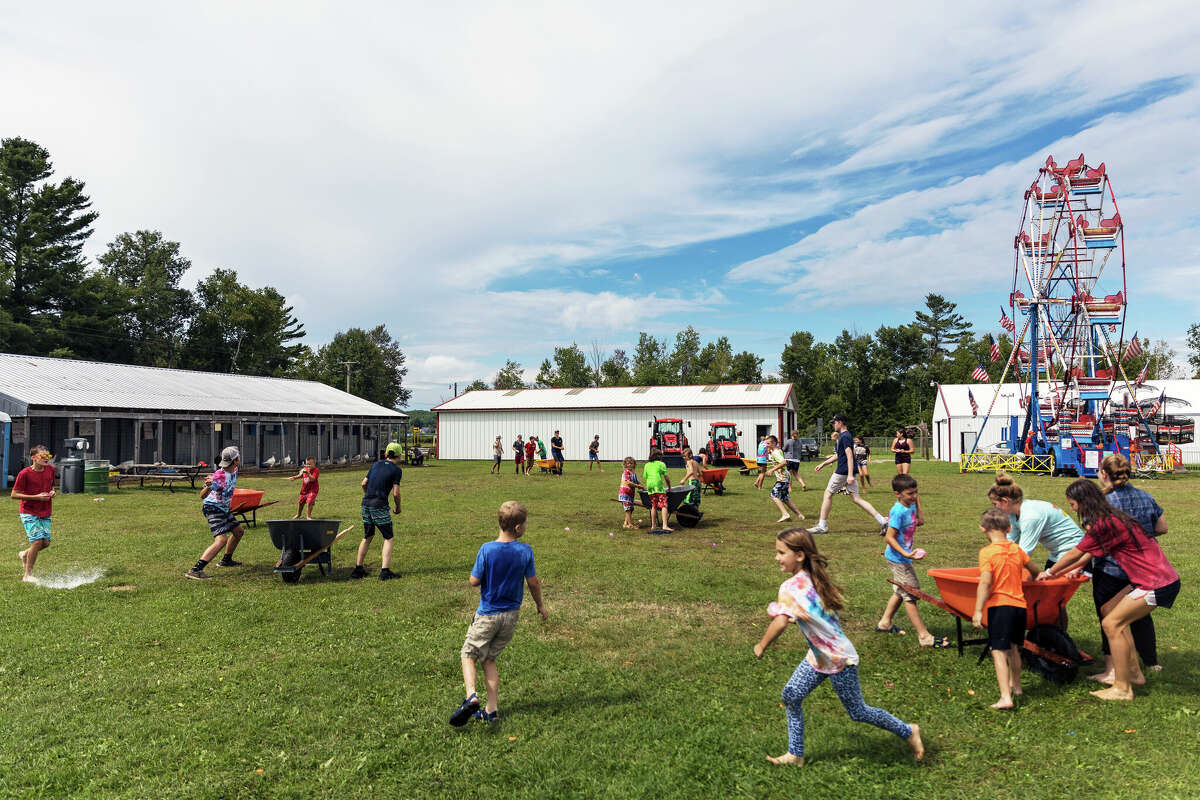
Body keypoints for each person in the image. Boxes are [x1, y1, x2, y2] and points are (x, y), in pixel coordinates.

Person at [753, 528, 924, 767]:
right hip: (818, 657)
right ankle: (795, 754)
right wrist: (795, 616)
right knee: (791, 695)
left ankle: (908, 730)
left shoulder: (790, 587)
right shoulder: (814, 577)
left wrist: (761, 645)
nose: (777, 557)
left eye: (781, 553)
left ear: (800, 555)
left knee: (858, 712)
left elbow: (779, 623)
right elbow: (812, 613)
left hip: (839, 659)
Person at [1040, 479, 1180, 702]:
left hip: (1156, 582)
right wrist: (1065, 570)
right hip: (1151, 579)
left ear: (1083, 502)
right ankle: (1134, 672)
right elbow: (1089, 551)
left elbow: (1076, 552)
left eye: (1073, 504)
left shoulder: (1104, 524)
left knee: (1111, 623)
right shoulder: (1111, 518)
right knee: (1109, 609)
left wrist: (1049, 572)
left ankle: (1123, 689)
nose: (1073, 509)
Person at [449, 501, 547, 726]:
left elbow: (474, 581)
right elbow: (533, 582)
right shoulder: (525, 551)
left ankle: (471, 696)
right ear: (518, 528)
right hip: (510, 616)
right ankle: (491, 710)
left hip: (488, 615)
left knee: (468, 654)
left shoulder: (487, 549)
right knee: (489, 658)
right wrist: (540, 605)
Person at [1092, 453, 1165, 682]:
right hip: (1142, 570)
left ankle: (1112, 668)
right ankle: (1151, 661)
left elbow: (1094, 539)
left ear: (1104, 474)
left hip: (1111, 569)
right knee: (1141, 616)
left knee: (1110, 617)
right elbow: (1161, 527)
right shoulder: (1145, 496)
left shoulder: (1104, 503)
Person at [972, 508, 1038, 709]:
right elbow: (1035, 570)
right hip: (1019, 606)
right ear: (1009, 528)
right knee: (1014, 649)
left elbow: (985, 582)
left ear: (983, 529)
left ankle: (1005, 697)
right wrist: (1032, 580)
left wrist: (978, 610)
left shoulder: (987, 552)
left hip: (1000, 607)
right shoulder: (1017, 550)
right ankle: (1016, 687)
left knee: (998, 651)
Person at [874, 474, 947, 647]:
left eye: (916, 492)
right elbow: (889, 538)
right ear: (897, 494)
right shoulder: (898, 511)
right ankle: (924, 636)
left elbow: (920, 522)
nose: (914, 496)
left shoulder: (911, 506)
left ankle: (884, 623)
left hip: (903, 557)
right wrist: (906, 554)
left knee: (901, 590)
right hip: (898, 558)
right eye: (910, 494)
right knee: (911, 592)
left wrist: (918, 503)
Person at [807, 414, 889, 536]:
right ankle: (883, 520)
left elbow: (850, 455)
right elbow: (838, 455)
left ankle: (822, 526)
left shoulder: (845, 436)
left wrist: (850, 474)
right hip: (847, 471)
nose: (833, 425)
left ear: (840, 422)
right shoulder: (845, 436)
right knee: (856, 498)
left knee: (828, 494)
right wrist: (823, 463)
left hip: (843, 471)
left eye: (834, 423)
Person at [187, 446, 245, 579]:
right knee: (221, 539)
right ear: (235, 460)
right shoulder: (219, 476)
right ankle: (195, 570)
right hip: (212, 508)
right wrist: (209, 485)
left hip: (223, 508)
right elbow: (202, 496)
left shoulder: (235, 470)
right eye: (238, 457)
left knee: (238, 532)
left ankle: (226, 560)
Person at [351, 442, 403, 580]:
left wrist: (368, 495)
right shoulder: (396, 470)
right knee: (388, 537)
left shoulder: (375, 464)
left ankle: (358, 569)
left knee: (367, 536)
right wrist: (398, 507)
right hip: (379, 505)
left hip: (366, 504)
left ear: (386, 453)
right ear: (399, 455)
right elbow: (396, 493)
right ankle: (385, 571)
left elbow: (363, 483)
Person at [12, 445, 56, 583]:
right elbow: (14, 494)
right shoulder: (24, 473)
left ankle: (25, 554)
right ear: (33, 457)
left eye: (48, 456)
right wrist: (36, 497)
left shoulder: (51, 470)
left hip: (45, 510)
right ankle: (27, 575)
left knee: (46, 543)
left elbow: (51, 486)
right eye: (43, 456)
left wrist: (53, 492)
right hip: (28, 511)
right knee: (37, 542)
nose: (46, 459)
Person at [764, 436, 804, 523]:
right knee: (785, 498)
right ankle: (799, 515)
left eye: (768, 443)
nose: (766, 445)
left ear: (774, 443)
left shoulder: (776, 453)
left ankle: (785, 514)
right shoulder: (777, 451)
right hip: (785, 476)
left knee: (773, 495)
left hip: (782, 477)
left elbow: (784, 462)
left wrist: (772, 469)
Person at [643, 447, 672, 532]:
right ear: (659, 456)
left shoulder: (647, 465)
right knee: (664, 505)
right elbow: (666, 477)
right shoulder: (661, 464)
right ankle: (665, 525)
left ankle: (653, 525)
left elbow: (646, 477)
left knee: (654, 505)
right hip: (658, 485)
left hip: (650, 486)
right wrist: (669, 487)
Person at [617, 456, 641, 529]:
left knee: (630, 509)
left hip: (630, 494)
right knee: (627, 509)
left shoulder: (633, 473)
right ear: (625, 464)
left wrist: (642, 487)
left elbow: (637, 482)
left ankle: (625, 523)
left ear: (634, 464)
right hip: (625, 493)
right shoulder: (626, 472)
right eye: (628, 463)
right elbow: (629, 483)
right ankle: (630, 525)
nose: (629, 465)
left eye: (631, 463)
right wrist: (637, 486)